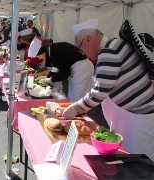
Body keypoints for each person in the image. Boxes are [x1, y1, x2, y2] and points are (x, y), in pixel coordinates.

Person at [63, 19, 154, 159]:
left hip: (138, 119)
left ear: (87, 40)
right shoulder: (115, 44)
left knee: (139, 162)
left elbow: (99, 92)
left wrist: (75, 108)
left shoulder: (109, 51)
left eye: (81, 48)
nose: (84, 53)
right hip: (135, 116)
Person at [28, 36, 94, 101]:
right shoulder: (52, 49)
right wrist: (47, 76)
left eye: (38, 56)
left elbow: (64, 73)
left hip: (82, 70)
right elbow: (56, 68)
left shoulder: (54, 51)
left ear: (42, 52)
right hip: (80, 68)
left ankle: (76, 111)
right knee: (72, 95)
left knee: (76, 97)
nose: (39, 58)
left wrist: (51, 79)